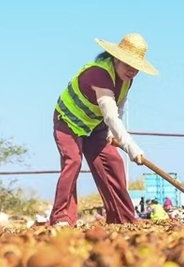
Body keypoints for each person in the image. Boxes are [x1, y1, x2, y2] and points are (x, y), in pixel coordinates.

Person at [49, 33, 158, 226]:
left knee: (113, 161)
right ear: (116, 58)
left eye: (136, 68)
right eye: (128, 65)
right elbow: (109, 114)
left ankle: (122, 218)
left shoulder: (127, 79)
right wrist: (130, 146)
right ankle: (61, 218)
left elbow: (119, 106)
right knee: (73, 161)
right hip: (68, 121)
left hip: (94, 125)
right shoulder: (99, 74)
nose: (132, 71)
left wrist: (110, 132)